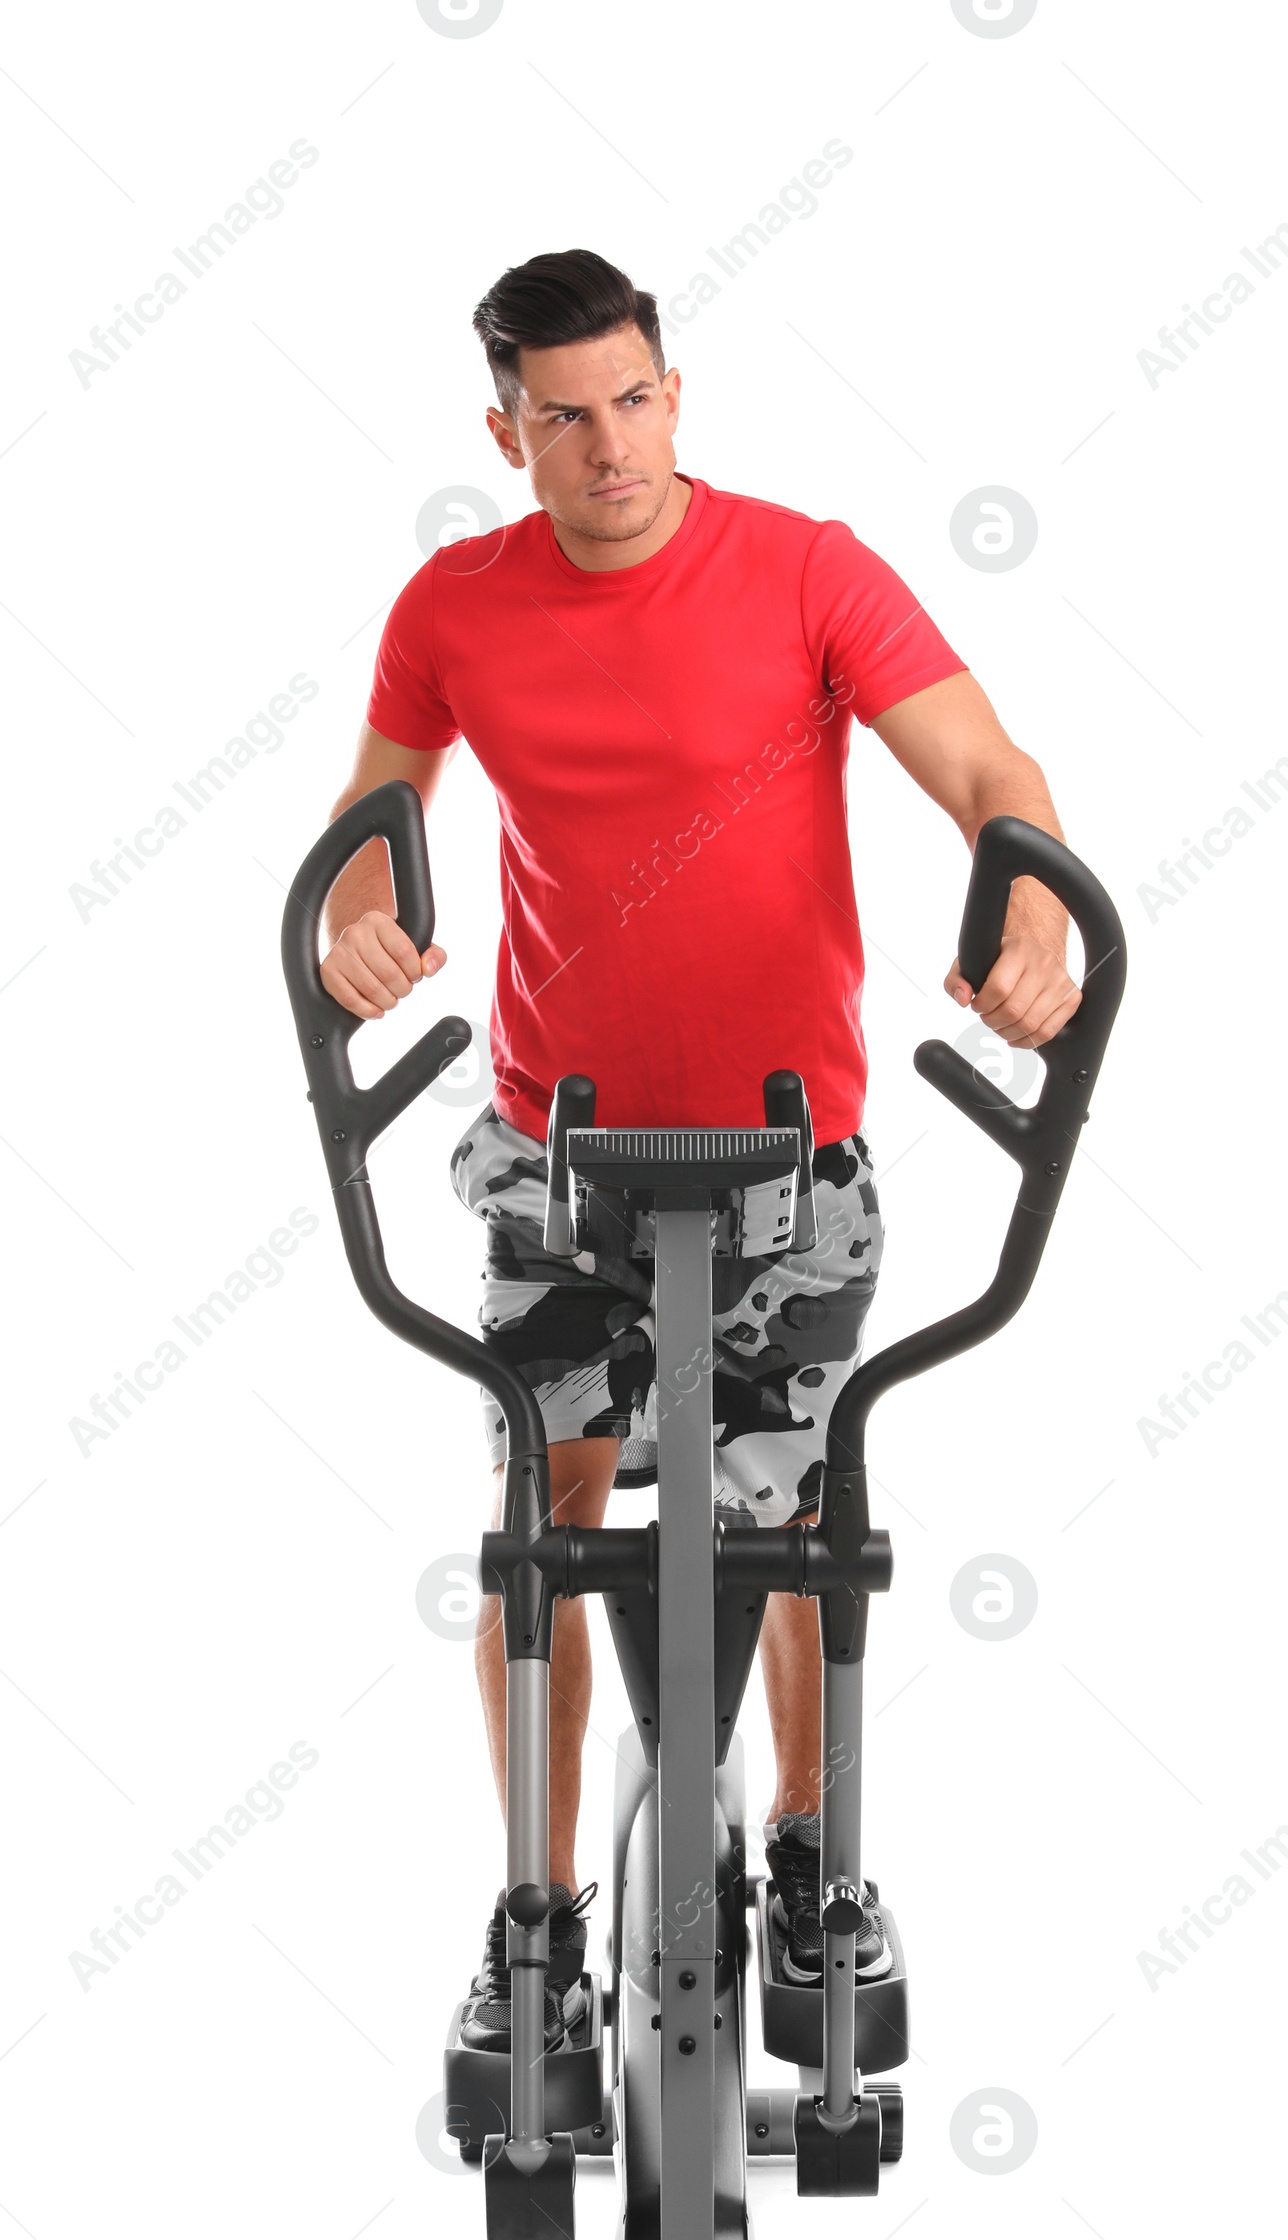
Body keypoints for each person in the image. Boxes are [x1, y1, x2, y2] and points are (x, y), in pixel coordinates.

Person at [322, 248, 1080, 2047]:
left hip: (788, 1162)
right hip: (555, 1162)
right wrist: (363, 915)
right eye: (565, 416)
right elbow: (371, 823)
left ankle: (819, 1875)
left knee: (799, 1522)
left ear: (679, 391)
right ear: (504, 431)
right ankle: (535, 1919)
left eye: (636, 399)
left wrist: (1028, 908)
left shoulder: (806, 566)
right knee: (539, 1526)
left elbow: (989, 772)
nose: (611, 447)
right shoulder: (451, 606)